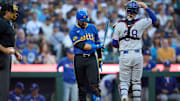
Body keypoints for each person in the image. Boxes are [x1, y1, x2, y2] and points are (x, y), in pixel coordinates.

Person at [112, 1, 159, 101]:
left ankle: (124, 96)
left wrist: (123, 40)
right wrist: (146, 7)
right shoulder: (141, 22)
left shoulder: (119, 24)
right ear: (137, 11)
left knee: (124, 81)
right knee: (136, 81)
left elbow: (114, 44)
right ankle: (137, 99)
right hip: (137, 54)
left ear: (126, 10)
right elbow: (154, 20)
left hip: (125, 54)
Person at [69, 10, 103, 101]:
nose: (84, 23)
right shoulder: (73, 30)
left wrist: (100, 58)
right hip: (79, 58)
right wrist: (96, 46)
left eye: (85, 21)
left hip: (91, 58)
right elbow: (82, 46)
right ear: (77, 20)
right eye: (81, 21)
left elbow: (98, 43)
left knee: (94, 85)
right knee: (82, 87)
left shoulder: (92, 27)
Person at [0, 3, 22, 101]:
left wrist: (16, 52)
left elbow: (9, 43)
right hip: (1, 55)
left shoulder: (8, 23)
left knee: (4, 86)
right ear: (7, 12)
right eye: (13, 12)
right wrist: (4, 49)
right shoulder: (1, 22)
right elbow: (6, 46)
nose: (15, 14)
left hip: (6, 56)